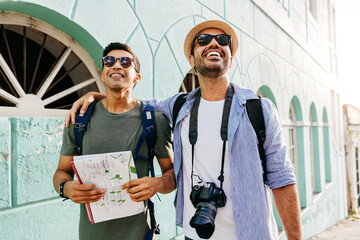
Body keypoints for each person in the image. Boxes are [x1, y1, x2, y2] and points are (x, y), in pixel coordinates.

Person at [65, 21, 302, 240]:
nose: (213, 44)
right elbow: (127, 100)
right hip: (193, 234)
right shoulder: (178, 106)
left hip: (250, 234)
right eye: (203, 39)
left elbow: (282, 179)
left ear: (230, 59)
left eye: (222, 40)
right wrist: (96, 96)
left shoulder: (258, 109)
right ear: (191, 59)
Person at [53, 42, 175, 240]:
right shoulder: (78, 119)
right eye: (109, 61)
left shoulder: (155, 121)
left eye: (125, 62)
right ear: (102, 73)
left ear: (137, 77)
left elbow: (172, 175)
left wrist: (158, 183)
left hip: (140, 235)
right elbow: (61, 172)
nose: (117, 65)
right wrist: (66, 188)